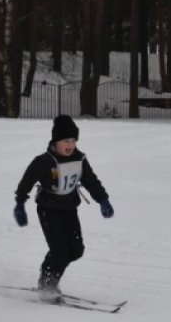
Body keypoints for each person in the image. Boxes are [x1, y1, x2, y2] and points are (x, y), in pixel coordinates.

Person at [13, 115, 114, 302]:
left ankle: (50, 274)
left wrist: (103, 200)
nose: (70, 145)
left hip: (69, 209)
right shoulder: (43, 161)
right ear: (55, 141)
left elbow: (91, 181)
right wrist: (20, 205)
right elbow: (25, 183)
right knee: (59, 251)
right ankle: (47, 284)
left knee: (76, 250)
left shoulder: (79, 159)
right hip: (48, 210)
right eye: (66, 141)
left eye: (73, 141)